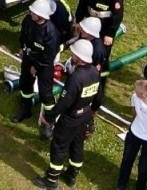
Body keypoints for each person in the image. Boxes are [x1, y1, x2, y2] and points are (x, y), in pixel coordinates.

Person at [33, 38, 101, 189]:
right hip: (85, 114)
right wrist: (92, 113)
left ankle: (51, 181)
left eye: (74, 53)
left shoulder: (76, 77)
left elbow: (64, 102)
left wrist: (49, 118)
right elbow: (99, 95)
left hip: (71, 118)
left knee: (58, 146)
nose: (71, 55)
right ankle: (71, 175)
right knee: (77, 145)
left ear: (80, 57)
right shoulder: (95, 72)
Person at [14, 0, 62, 129]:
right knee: (25, 83)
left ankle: (49, 120)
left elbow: (49, 54)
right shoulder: (28, 21)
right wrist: (22, 47)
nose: (31, 14)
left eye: (34, 13)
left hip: (44, 65)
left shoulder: (51, 32)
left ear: (42, 16)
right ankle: (25, 109)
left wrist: (37, 66)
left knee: (45, 93)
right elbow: (24, 35)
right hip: (29, 57)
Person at [117, 79, 147, 190]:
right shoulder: (135, 96)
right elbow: (133, 109)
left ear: (143, 95)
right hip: (134, 134)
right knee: (126, 160)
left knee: (143, 167)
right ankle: (121, 185)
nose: (134, 91)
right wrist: (135, 123)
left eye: (137, 90)